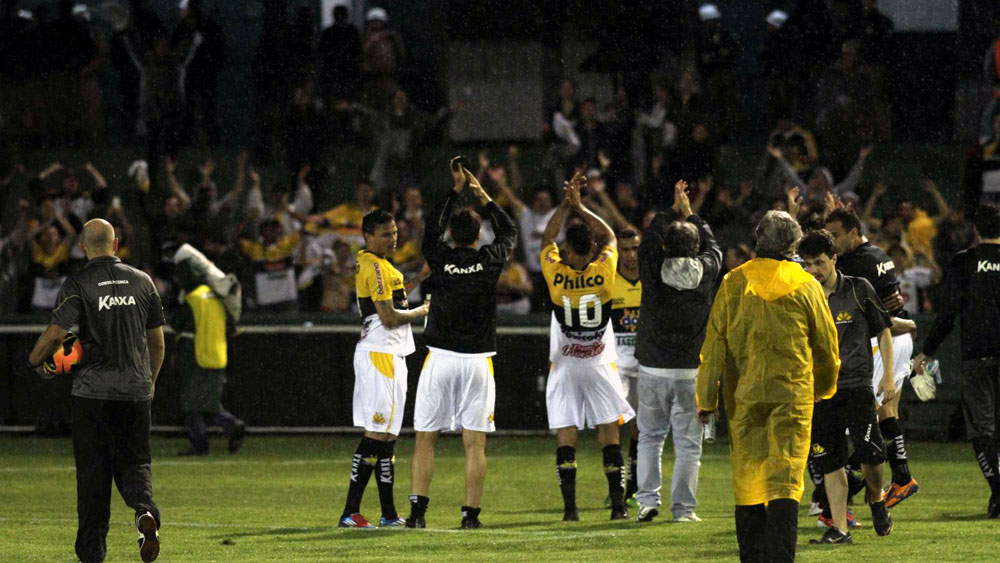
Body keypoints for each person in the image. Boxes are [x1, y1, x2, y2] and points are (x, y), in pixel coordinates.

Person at [697, 211, 840, 563]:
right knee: (785, 482)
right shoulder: (807, 285)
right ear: (793, 245)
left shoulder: (734, 282)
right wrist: (825, 386)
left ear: (758, 238)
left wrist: (706, 397)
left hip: (744, 397)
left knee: (749, 482)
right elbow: (826, 345)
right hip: (792, 396)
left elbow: (713, 344)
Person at [27, 219, 165, 563]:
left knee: (93, 475)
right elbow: (157, 343)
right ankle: (144, 512)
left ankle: (92, 553)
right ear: (115, 244)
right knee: (135, 464)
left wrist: (34, 361)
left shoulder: (78, 283)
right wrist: (150, 382)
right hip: (135, 392)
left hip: (92, 396)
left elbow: (57, 334)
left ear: (83, 248)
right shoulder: (143, 282)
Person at [407, 157, 518, 529]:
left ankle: (418, 514)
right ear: (478, 234)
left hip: (439, 359)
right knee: (475, 444)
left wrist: (455, 191)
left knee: (425, 439)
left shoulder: (439, 258)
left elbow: (429, 229)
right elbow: (509, 229)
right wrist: (482, 195)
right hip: (477, 362)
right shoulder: (489, 261)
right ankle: (470, 516)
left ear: (452, 235)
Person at [541, 172, 635, 521]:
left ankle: (570, 511)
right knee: (609, 435)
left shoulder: (556, 274)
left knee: (567, 437)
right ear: (592, 250)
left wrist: (565, 206)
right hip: (598, 363)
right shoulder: (604, 269)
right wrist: (582, 207)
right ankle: (619, 507)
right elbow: (610, 234)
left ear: (566, 251)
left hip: (565, 365)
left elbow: (546, 238)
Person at [798, 230, 896, 545]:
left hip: (856, 386)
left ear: (834, 259)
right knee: (829, 461)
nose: (814, 270)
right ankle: (840, 529)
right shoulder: (803, 296)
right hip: (820, 391)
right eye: (808, 263)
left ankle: (877, 499)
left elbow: (884, 331)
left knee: (871, 455)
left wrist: (889, 375)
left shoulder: (859, 289)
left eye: (819, 262)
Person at [634, 180, 722, 524]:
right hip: (690, 371)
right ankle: (683, 510)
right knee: (689, 446)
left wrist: (670, 211)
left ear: (664, 246)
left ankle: (646, 502)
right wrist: (692, 214)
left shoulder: (653, 271)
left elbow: (647, 244)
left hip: (654, 368)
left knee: (650, 438)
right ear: (696, 245)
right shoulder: (707, 272)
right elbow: (714, 246)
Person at [339, 209, 429, 528]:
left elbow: (396, 302)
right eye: (385, 234)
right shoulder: (375, 266)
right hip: (380, 354)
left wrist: (421, 277)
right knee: (377, 433)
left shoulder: (383, 266)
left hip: (390, 355)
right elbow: (389, 317)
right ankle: (350, 511)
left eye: (394, 232)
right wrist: (424, 310)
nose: (393, 238)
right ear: (368, 236)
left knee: (388, 437)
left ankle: (388, 514)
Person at [825, 208, 919, 508]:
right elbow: (890, 300)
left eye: (836, 235)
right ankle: (897, 480)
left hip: (885, 338)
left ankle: (857, 487)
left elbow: (875, 312)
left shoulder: (856, 262)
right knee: (887, 413)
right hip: (897, 336)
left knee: (870, 421)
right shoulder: (877, 253)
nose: (832, 242)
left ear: (854, 233)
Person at [914, 204, 1000, 518]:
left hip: (977, 356)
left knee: (981, 429)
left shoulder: (965, 263)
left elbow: (948, 314)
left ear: (976, 229)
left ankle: (997, 489)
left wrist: (926, 352)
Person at [169, 257, 246, 456]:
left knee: (191, 404)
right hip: (217, 355)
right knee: (208, 400)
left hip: (194, 354)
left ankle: (202, 442)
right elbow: (231, 328)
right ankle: (230, 425)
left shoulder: (192, 298)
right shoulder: (216, 297)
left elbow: (177, 323)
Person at [610, 227, 642, 507]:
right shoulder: (610, 283)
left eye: (635, 249)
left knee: (640, 429)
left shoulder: (652, 283)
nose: (630, 256)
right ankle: (616, 487)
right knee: (613, 425)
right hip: (617, 365)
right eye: (625, 250)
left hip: (645, 365)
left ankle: (632, 486)